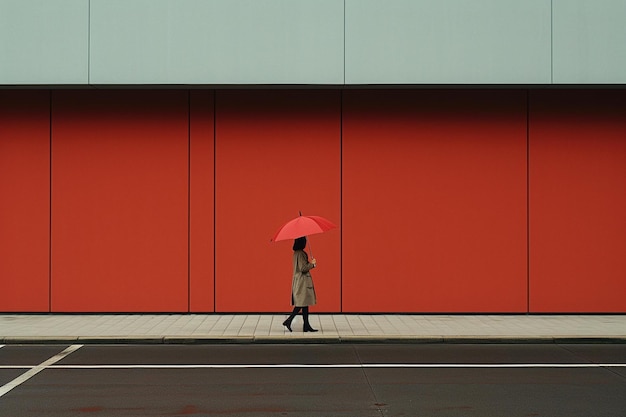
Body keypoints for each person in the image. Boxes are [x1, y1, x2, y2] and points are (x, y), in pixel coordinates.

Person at [283, 236, 318, 332]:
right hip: (303, 281)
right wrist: (312, 264)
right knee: (300, 304)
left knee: (304, 304)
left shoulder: (296, 253)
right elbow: (303, 268)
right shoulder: (301, 254)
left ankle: (306, 325)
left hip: (298, 280)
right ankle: (289, 320)